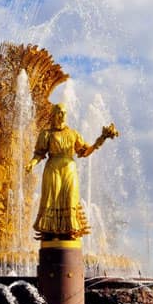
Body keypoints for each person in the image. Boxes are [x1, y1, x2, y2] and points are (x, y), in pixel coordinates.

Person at [25, 103, 118, 240]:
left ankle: (69, 231)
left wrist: (102, 138)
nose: (62, 115)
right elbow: (39, 153)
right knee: (52, 199)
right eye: (59, 113)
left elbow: (85, 151)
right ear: (53, 115)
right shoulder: (46, 134)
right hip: (53, 169)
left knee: (70, 198)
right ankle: (50, 233)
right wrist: (31, 163)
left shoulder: (73, 134)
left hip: (69, 169)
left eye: (64, 113)